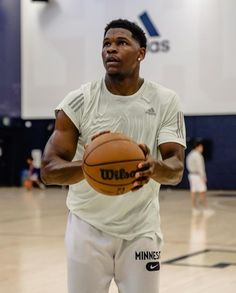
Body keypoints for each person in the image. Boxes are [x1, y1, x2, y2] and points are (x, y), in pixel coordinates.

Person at [40, 19, 186, 293]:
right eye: (106, 44)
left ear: (141, 52)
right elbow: (48, 170)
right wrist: (92, 167)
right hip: (87, 227)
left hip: (141, 229)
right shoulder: (78, 100)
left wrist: (152, 167)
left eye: (121, 43)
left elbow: (176, 168)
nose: (111, 49)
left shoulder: (165, 100)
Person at [186, 141, 212, 215]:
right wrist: (203, 176)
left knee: (193, 191)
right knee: (202, 192)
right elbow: (200, 168)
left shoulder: (190, 154)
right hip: (197, 176)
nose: (202, 149)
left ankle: (194, 208)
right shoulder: (198, 155)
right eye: (201, 147)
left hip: (191, 175)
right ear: (197, 147)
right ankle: (205, 209)